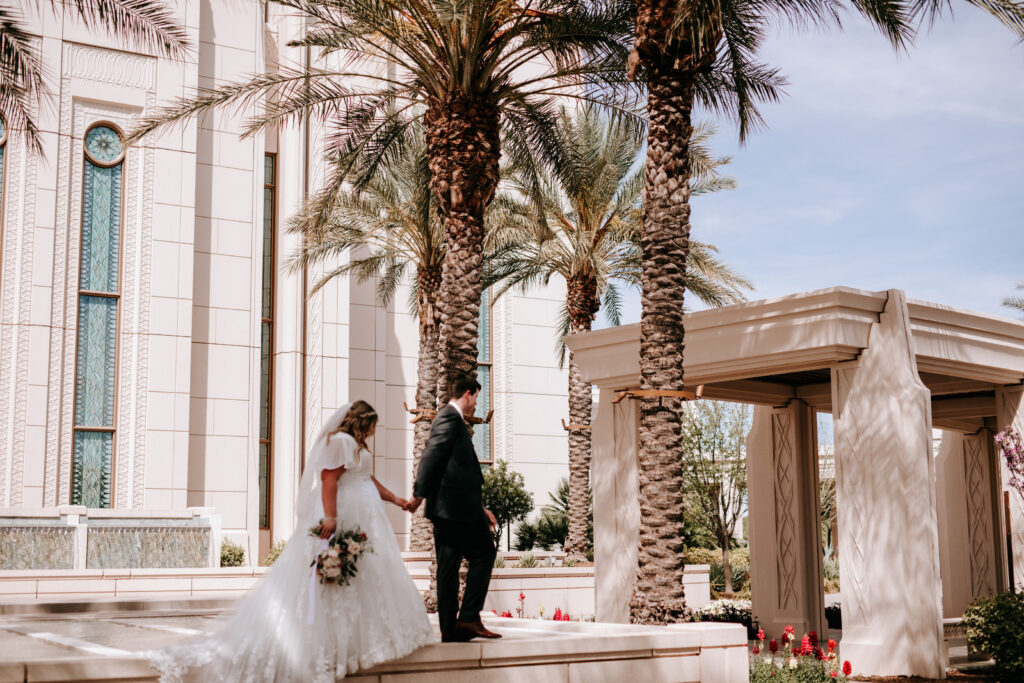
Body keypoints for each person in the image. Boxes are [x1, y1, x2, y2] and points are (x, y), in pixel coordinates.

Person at [148, 401, 436, 682]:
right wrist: (331, 517)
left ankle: (363, 640)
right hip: (347, 513)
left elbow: (366, 479)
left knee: (366, 573)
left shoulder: (356, 446)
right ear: (360, 422)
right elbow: (328, 480)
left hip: (367, 516)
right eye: (370, 425)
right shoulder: (339, 442)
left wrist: (397, 500)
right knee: (335, 576)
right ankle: (329, 644)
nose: (372, 431)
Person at [406, 375, 502, 643]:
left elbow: (455, 470)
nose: (475, 405)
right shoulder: (449, 417)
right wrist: (418, 495)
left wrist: (480, 508)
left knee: (448, 567)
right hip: (456, 510)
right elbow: (432, 455)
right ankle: (469, 616)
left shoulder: (449, 419)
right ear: (468, 394)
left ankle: (450, 628)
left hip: (453, 509)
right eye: (476, 398)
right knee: (484, 552)